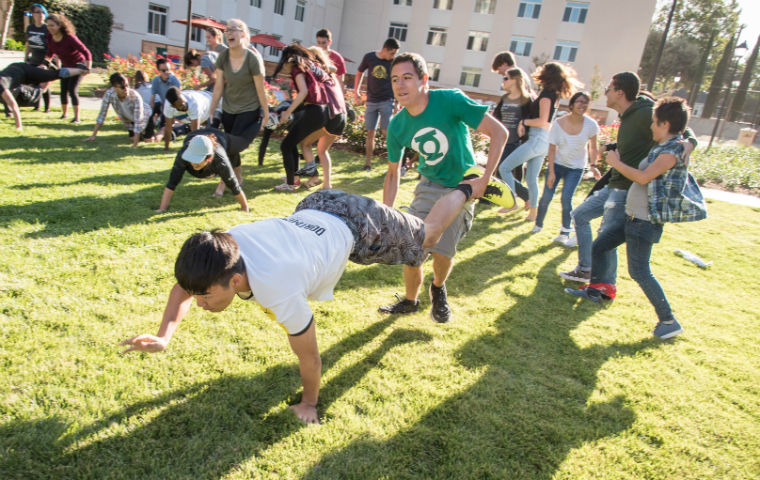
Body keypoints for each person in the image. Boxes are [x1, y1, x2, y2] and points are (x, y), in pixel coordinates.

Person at [121, 182, 484, 424]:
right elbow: (181, 288)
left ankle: (472, 185)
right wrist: (164, 336)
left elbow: (309, 355)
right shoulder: (221, 248)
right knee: (415, 239)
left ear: (234, 281)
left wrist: (309, 404)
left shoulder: (277, 287)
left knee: (429, 233)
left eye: (205, 296)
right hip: (315, 204)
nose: (198, 302)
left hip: (358, 224)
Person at [379, 52, 508, 323]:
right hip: (428, 186)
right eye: (394, 80)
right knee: (413, 247)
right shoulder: (398, 125)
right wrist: (386, 213)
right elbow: (392, 175)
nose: (400, 85)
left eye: (407, 78)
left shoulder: (450, 100)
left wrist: (484, 181)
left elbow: (500, 133)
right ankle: (411, 300)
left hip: (462, 186)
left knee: (443, 252)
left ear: (424, 80)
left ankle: (437, 287)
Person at [565, 98, 696, 340]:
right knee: (600, 245)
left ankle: (668, 320)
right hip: (632, 217)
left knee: (639, 271)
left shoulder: (672, 151)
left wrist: (616, 163)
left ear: (666, 124)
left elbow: (644, 177)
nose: (651, 127)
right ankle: (595, 290)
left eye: (655, 123)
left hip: (644, 222)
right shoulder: (666, 146)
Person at [559, 72, 697, 283]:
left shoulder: (643, 113)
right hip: (615, 183)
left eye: (609, 89)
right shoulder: (628, 114)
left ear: (620, 92)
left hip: (627, 187)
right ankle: (586, 269)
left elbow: (678, 127)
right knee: (580, 215)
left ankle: (604, 284)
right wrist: (614, 147)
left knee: (606, 237)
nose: (605, 93)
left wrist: (691, 142)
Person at [498, 62, 580, 221]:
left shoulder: (547, 95)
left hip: (537, 139)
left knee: (504, 168)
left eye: (543, 70)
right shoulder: (552, 95)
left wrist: (524, 122)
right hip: (543, 141)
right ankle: (533, 214)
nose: (539, 72)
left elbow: (543, 121)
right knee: (531, 179)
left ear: (547, 75)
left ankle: (512, 202)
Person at [209, 18, 269, 196]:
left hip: (248, 109)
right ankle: (240, 177)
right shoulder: (223, 57)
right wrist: (212, 110)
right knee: (231, 145)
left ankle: (221, 186)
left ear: (243, 34)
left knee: (228, 146)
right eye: (226, 30)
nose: (228, 33)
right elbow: (219, 85)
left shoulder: (252, 59)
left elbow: (260, 89)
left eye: (233, 30)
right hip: (229, 109)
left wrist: (265, 113)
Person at [532, 91, 600, 243]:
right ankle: (538, 224)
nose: (582, 105)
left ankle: (564, 232)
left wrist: (593, 165)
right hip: (557, 165)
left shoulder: (591, 125)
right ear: (572, 104)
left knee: (566, 198)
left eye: (585, 102)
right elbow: (551, 148)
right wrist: (550, 172)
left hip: (576, 168)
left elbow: (593, 147)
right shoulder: (558, 123)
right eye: (579, 101)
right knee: (546, 197)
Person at [271, 43, 335, 191]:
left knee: (286, 145)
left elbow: (304, 92)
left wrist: (287, 112)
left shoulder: (296, 68)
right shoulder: (308, 66)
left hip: (314, 111)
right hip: (322, 111)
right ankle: (298, 178)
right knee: (292, 143)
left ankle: (291, 184)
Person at [156, 127, 249, 213]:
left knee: (238, 149)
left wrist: (244, 207)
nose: (193, 164)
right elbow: (172, 182)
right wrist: (162, 208)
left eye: (197, 161)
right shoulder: (183, 155)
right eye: (191, 159)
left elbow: (233, 185)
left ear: (208, 158)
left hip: (220, 137)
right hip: (194, 135)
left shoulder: (220, 159)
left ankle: (237, 175)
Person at [354, 38, 400, 170]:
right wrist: (356, 91)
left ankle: (395, 164)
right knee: (370, 133)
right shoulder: (369, 57)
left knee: (386, 132)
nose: (393, 56)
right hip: (371, 101)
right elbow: (359, 72)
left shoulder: (393, 62)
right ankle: (368, 164)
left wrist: (396, 101)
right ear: (385, 49)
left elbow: (396, 80)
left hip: (387, 100)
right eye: (392, 53)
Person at [0, 62, 87, 131]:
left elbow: (14, 106)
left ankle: (80, 70)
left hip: (25, 71)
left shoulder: (1, 86)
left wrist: (19, 127)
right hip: (16, 74)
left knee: (51, 75)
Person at [492, 67, 533, 207]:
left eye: (506, 78)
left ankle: (526, 196)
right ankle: (521, 196)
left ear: (515, 80)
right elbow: (496, 118)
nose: (503, 80)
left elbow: (531, 120)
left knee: (502, 170)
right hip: (502, 141)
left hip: (516, 143)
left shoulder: (527, 100)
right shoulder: (504, 99)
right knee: (500, 171)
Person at [45, 13, 91, 124]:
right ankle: (64, 114)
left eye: (52, 25)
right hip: (66, 66)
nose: (49, 28)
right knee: (63, 90)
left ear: (59, 25)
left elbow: (86, 52)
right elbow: (50, 52)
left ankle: (77, 118)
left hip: (78, 67)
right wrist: (45, 63)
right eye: (48, 25)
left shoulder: (69, 38)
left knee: (72, 90)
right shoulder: (50, 37)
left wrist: (87, 68)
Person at [85, 73, 150, 147]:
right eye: (122, 87)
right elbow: (102, 114)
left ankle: (160, 130)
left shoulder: (135, 96)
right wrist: (93, 135)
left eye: (127, 85)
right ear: (114, 87)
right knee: (133, 138)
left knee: (148, 140)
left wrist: (135, 145)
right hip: (129, 120)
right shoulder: (109, 94)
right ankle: (141, 134)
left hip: (146, 116)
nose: (126, 89)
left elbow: (139, 120)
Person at [162, 86, 213, 150]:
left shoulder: (193, 102)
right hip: (199, 106)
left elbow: (195, 130)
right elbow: (168, 127)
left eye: (184, 102)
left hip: (210, 100)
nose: (184, 105)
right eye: (180, 105)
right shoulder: (168, 107)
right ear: (173, 106)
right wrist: (166, 147)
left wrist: (194, 148)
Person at [24, 3, 51, 113]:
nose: (40, 14)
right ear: (33, 14)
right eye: (37, 12)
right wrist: (26, 57)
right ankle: (37, 106)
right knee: (34, 83)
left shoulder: (47, 28)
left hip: (45, 59)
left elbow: (52, 46)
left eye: (42, 12)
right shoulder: (30, 28)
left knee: (44, 83)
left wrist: (47, 62)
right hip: (33, 59)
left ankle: (47, 108)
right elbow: (28, 44)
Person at [148, 58, 181, 138]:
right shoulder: (156, 81)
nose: (167, 72)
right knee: (153, 108)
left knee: (164, 123)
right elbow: (152, 99)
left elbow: (178, 101)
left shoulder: (175, 81)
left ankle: (162, 131)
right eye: (163, 70)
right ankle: (148, 129)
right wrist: (150, 113)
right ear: (158, 71)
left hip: (173, 106)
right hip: (163, 104)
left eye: (168, 70)